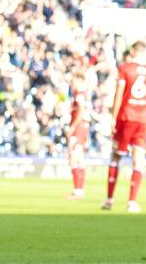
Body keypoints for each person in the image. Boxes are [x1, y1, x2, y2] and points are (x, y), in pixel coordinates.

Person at [102, 42, 146, 214]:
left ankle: (109, 199)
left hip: (126, 116)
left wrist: (113, 118)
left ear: (133, 52)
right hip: (143, 119)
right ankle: (132, 202)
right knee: (138, 158)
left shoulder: (125, 68)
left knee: (116, 157)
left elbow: (119, 93)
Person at [65, 71, 91, 200]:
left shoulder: (79, 95)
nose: (72, 84)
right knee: (79, 157)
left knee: (74, 156)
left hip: (79, 127)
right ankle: (80, 189)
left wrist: (72, 127)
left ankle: (78, 190)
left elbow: (80, 111)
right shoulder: (84, 94)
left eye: (73, 81)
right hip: (84, 127)